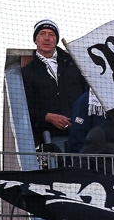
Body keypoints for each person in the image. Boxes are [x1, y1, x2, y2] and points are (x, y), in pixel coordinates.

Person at [20, 19, 87, 149]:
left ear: (56, 40)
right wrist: (47, 117)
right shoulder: (27, 72)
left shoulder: (75, 64)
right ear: (35, 40)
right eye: (42, 34)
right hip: (50, 138)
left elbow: (89, 94)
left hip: (82, 134)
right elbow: (24, 107)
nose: (47, 38)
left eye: (51, 34)